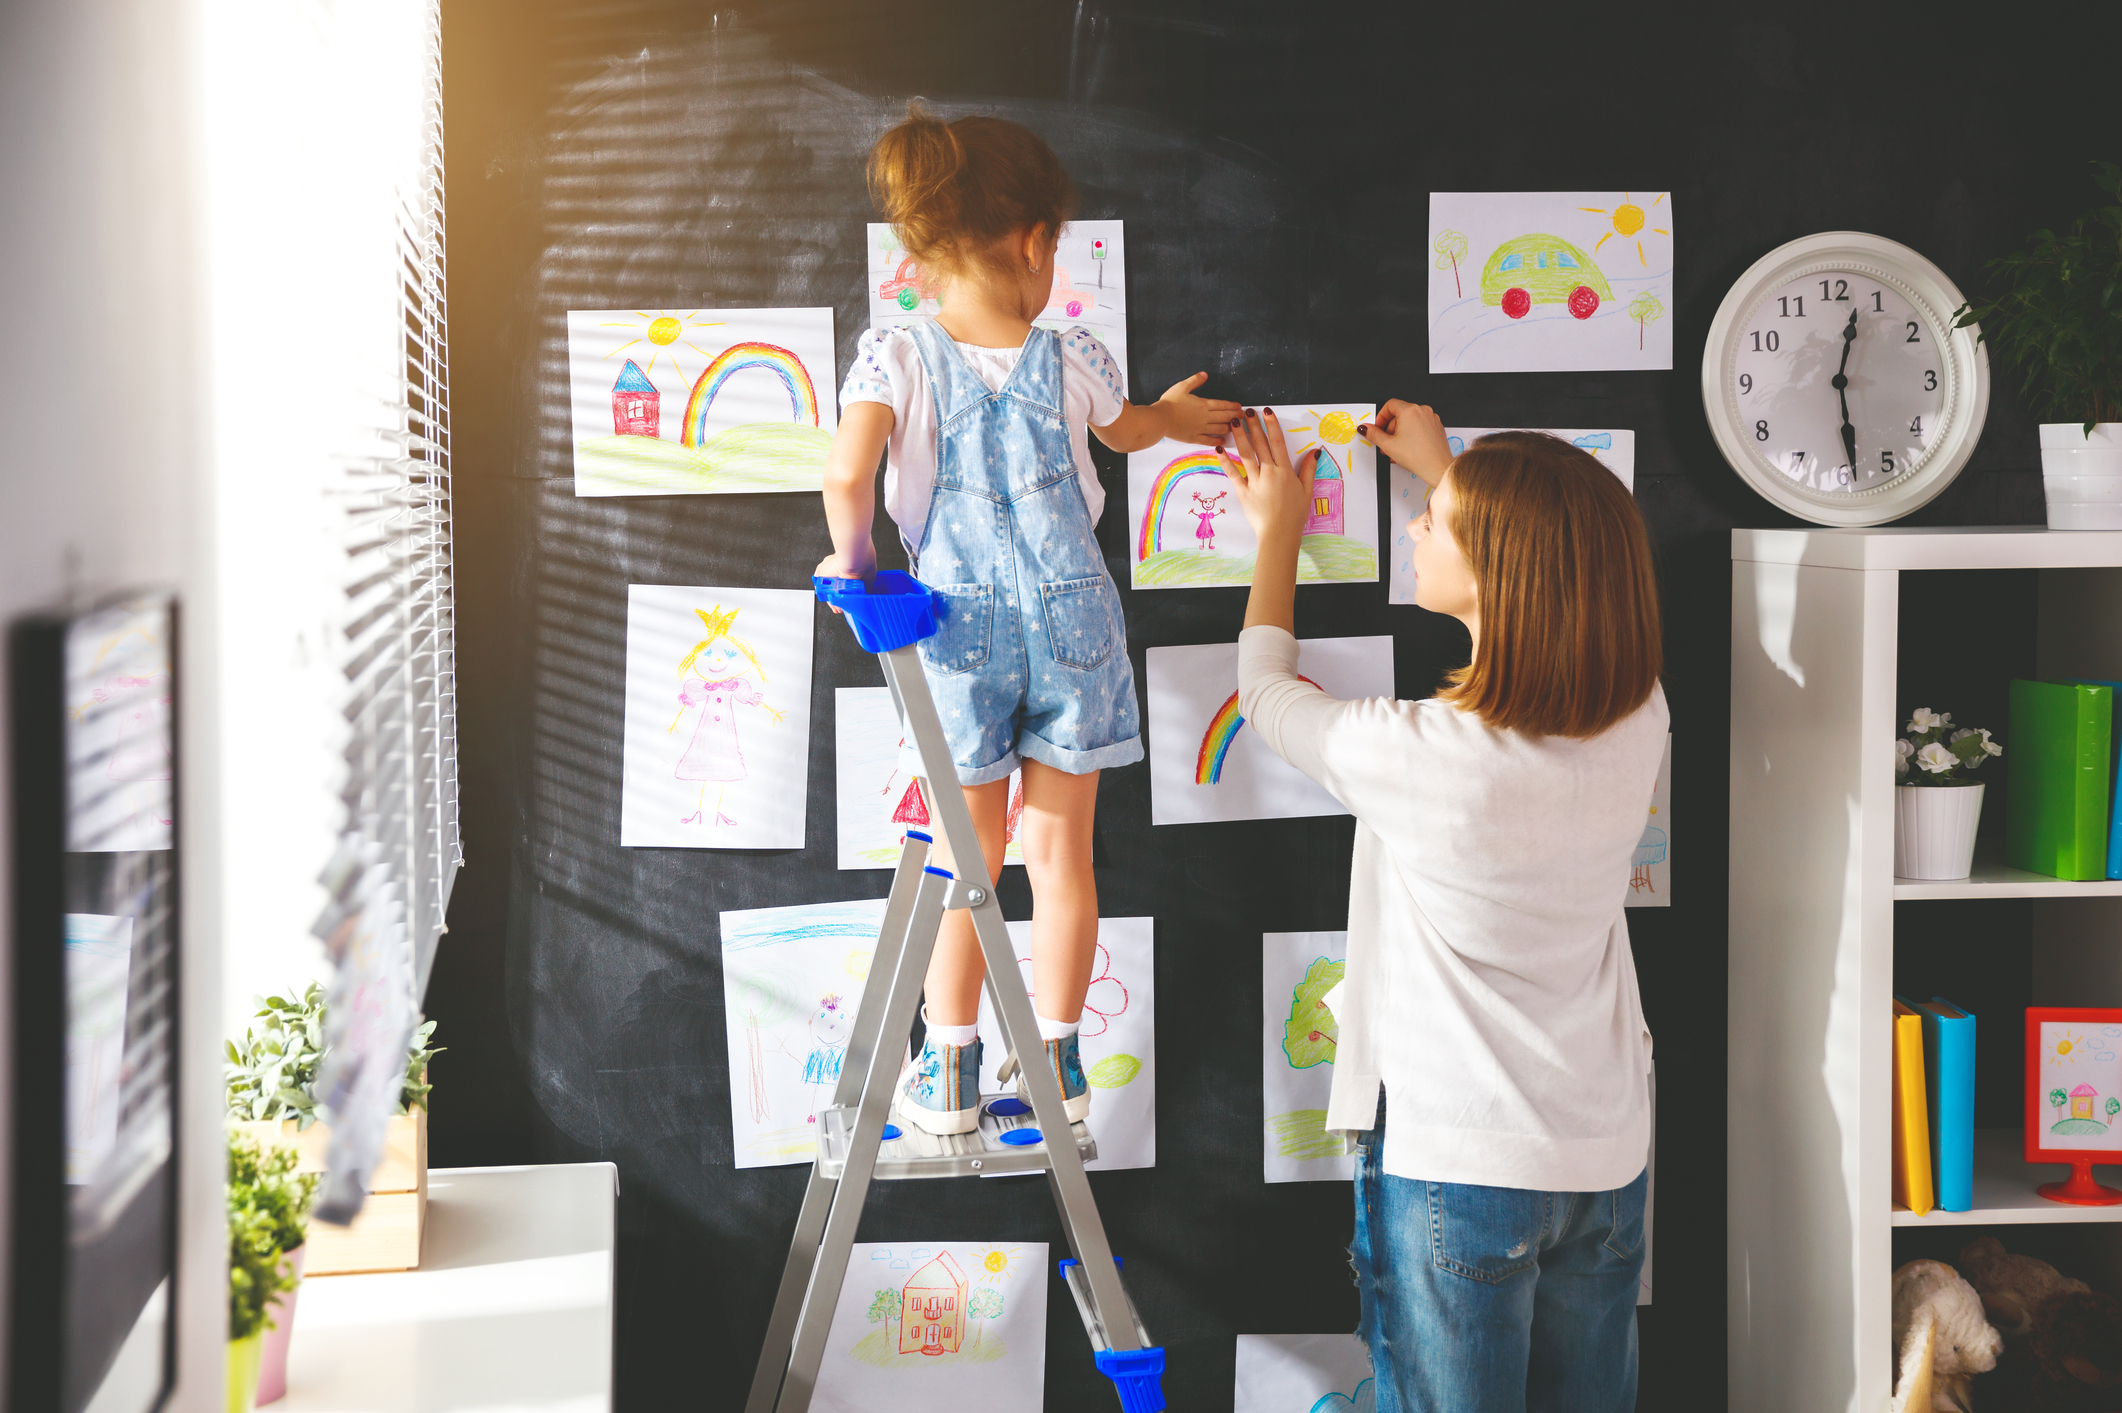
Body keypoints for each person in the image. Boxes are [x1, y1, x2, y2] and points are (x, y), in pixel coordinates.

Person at [1220, 405, 1666, 1413]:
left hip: (1455, 1166)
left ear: (1502, 568)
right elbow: (1556, 565)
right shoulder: (1639, 710)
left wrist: (1279, 530)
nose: (1416, 525)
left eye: (1438, 517)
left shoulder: (1412, 751)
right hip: (1603, 1153)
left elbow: (1262, 690)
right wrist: (1447, 471)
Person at [815, 103, 1237, 1135]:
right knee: (1064, 862)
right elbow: (1134, 432)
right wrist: (1178, 418)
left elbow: (844, 472)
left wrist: (858, 564)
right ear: (1037, 244)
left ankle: (949, 1074)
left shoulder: (895, 357)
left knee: (971, 860)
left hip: (955, 632)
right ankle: (1055, 1070)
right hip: (1078, 625)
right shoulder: (1074, 354)